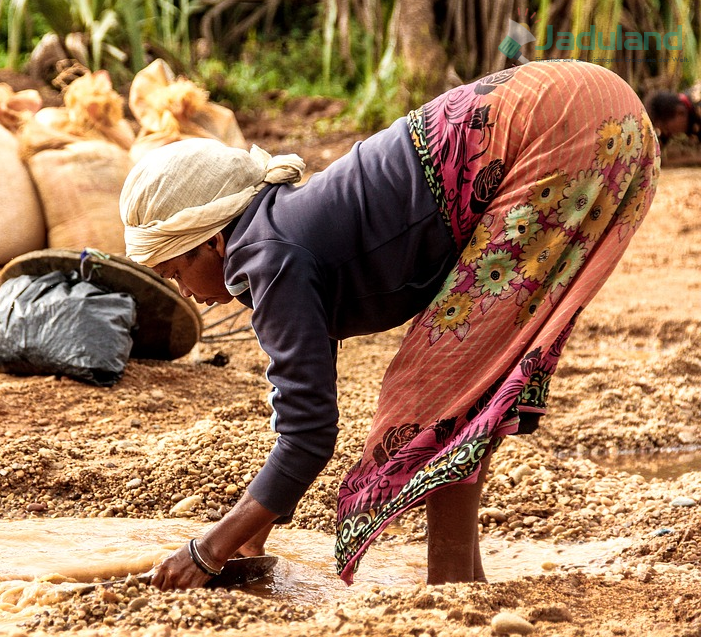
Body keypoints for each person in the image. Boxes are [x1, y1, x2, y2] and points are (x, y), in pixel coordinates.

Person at [119, 59, 660, 590]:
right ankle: (461, 581)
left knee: (438, 390)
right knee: (469, 383)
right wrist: (253, 526)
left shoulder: (267, 255)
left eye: (176, 271)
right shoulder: (285, 231)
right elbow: (301, 404)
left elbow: (309, 434)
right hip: (591, 109)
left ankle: (449, 587)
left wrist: (207, 549)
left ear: (213, 240)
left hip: (557, 127)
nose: (188, 293)